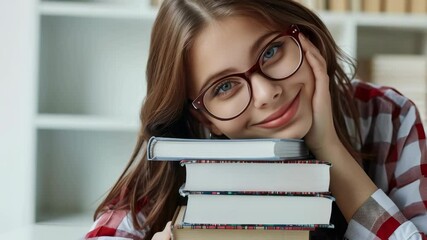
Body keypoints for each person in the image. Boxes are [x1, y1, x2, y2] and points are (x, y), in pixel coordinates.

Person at [84, 0, 427, 239]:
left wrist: (330, 152)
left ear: (304, 37)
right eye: (226, 87)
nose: (265, 94)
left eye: (271, 52)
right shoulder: (187, 155)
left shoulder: (388, 115)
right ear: (205, 118)